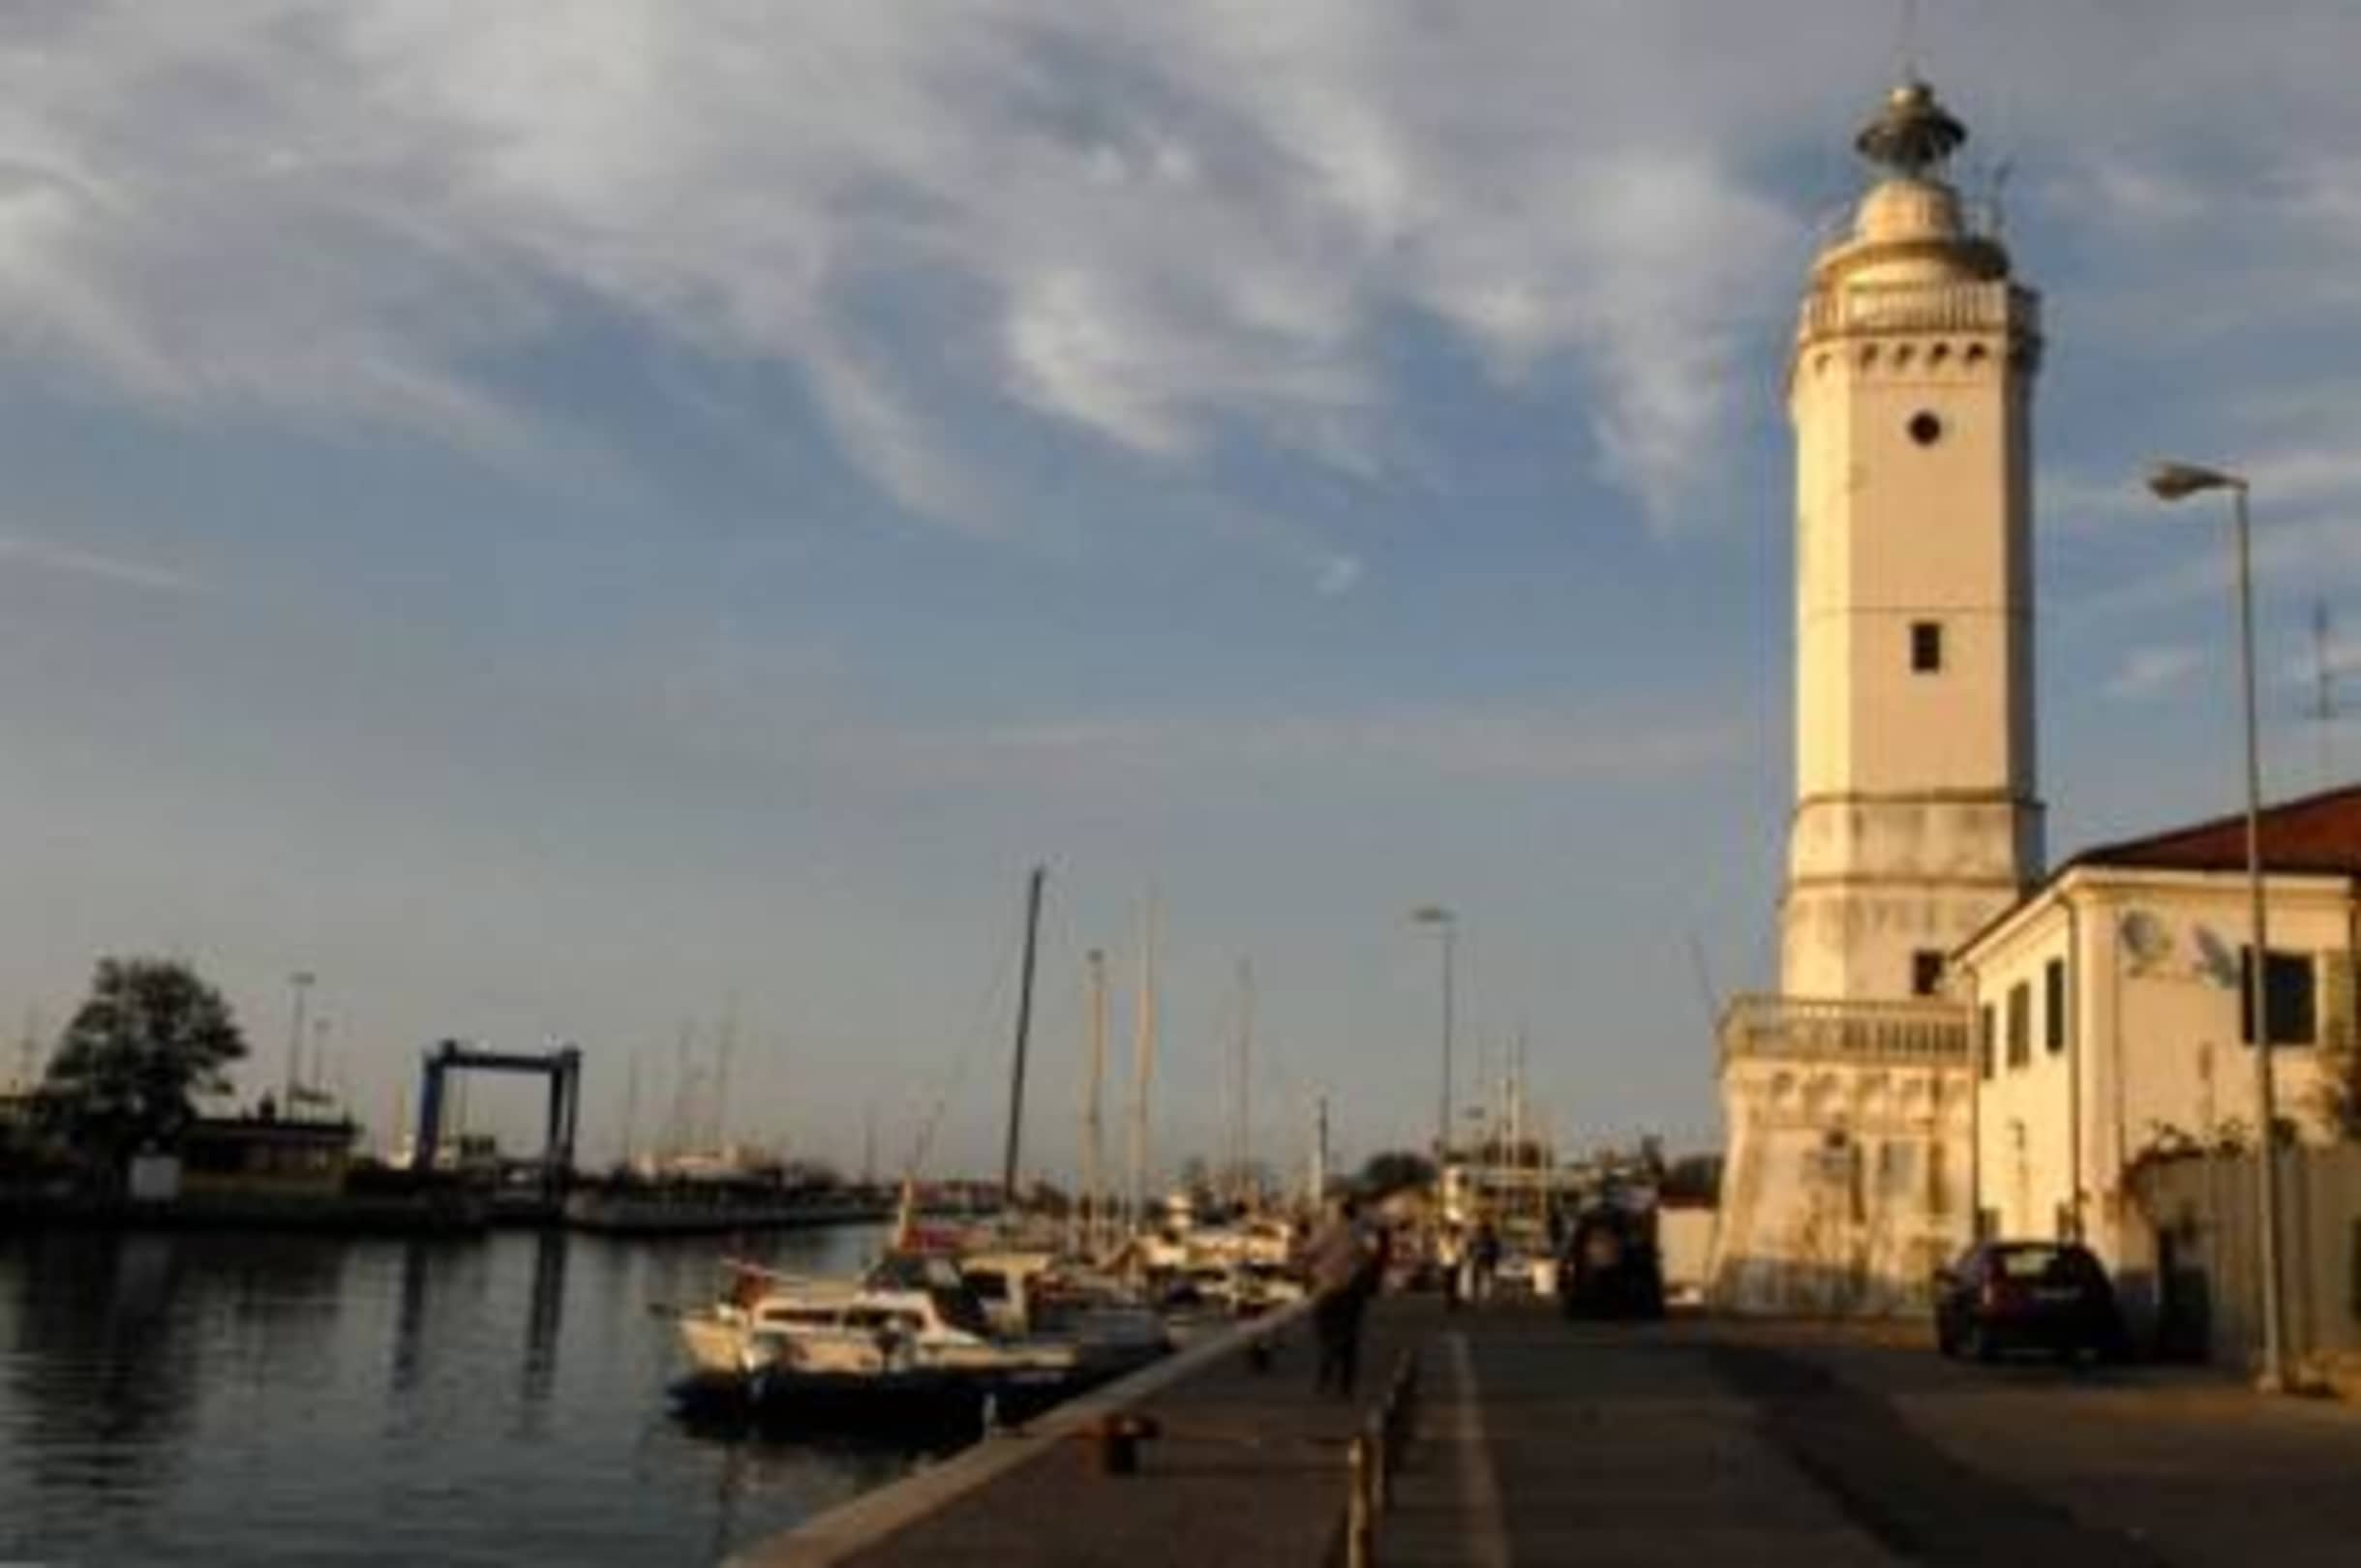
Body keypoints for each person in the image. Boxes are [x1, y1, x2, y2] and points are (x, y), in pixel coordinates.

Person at [1304, 1196, 1372, 1397]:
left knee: (1325, 1333)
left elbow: (1308, 1252)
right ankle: (1346, 1384)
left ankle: (1325, 1372)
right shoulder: (1360, 1233)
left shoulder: (1325, 1230)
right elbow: (1368, 1257)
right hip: (1352, 1290)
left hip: (1326, 1289)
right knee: (1351, 1336)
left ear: (1339, 1212)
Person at [1469, 1217, 1501, 1307]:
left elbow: (1471, 1248)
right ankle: (1488, 1296)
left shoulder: (1480, 1238)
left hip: (1482, 1260)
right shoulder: (1491, 1238)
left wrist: (1473, 1255)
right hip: (1487, 1260)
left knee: (1478, 1278)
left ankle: (1477, 1295)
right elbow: (1497, 1250)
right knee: (1489, 1278)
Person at [1435, 1222, 1466, 1312]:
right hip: (1450, 1263)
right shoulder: (1447, 1240)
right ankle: (1451, 1300)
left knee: (1451, 1283)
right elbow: (1440, 1251)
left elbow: (1440, 1251)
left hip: (1450, 1263)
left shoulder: (1454, 1240)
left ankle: (1451, 1300)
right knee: (1450, 1283)